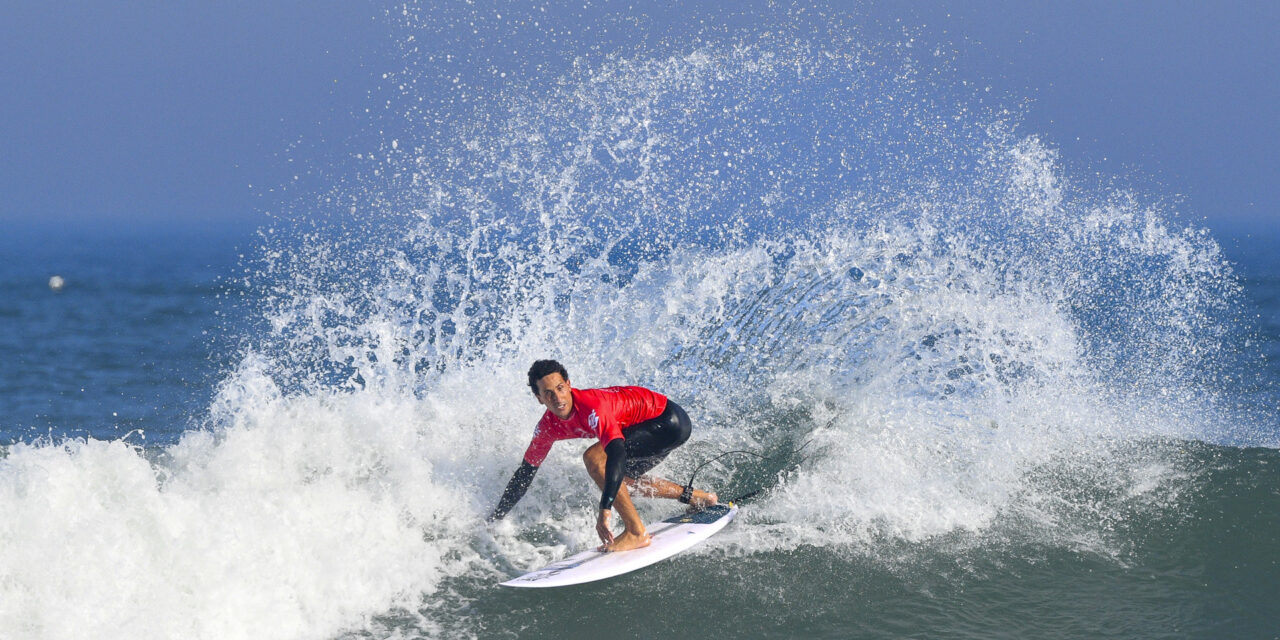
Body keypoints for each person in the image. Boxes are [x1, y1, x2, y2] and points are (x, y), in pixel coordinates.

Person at [488, 359, 718, 552]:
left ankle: (636, 532)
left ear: (568, 385)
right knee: (621, 484)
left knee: (595, 459)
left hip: (667, 421)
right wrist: (495, 518)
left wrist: (604, 510)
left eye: (560, 388)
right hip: (649, 427)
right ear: (538, 398)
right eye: (548, 394)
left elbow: (615, 452)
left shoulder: (591, 407)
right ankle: (697, 497)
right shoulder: (546, 429)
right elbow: (525, 474)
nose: (557, 398)